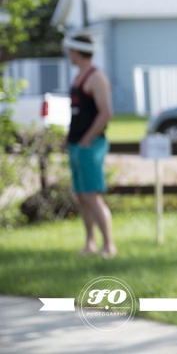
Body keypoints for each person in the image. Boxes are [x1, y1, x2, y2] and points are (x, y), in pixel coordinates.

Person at [64, 34, 116, 258]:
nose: (69, 55)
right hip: (76, 145)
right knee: (82, 196)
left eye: (70, 51)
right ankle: (90, 244)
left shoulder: (96, 78)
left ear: (76, 52)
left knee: (92, 196)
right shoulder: (78, 77)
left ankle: (109, 246)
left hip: (91, 145)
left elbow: (106, 112)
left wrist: (86, 139)